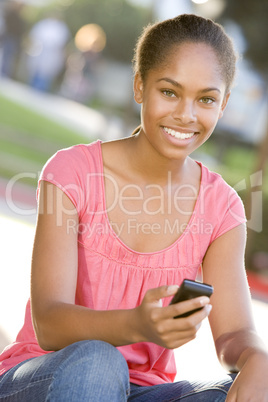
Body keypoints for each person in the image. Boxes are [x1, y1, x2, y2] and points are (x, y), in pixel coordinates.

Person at [0, 13, 267, 401]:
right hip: (50, 375)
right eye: (170, 92)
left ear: (223, 104)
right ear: (140, 86)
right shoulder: (72, 172)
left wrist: (256, 356)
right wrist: (137, 325)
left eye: (206, 99)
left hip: (142, 392)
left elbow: (234, 334)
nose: (186, 115)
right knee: (98, 363)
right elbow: (49, 323)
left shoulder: (222, 208)